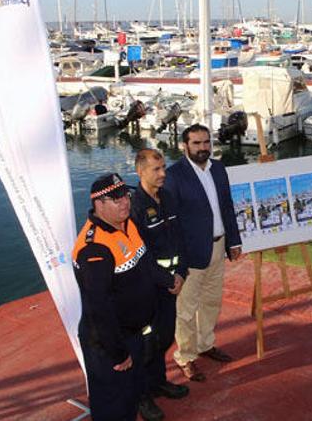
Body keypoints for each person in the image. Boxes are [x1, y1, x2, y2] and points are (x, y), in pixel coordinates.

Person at [72, 173, 174, 420]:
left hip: (134, 333)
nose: (124, 202)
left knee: (130, 399)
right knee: (113, 407)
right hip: (110, 343)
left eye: (125, 195)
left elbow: (144, 261)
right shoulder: (94, 249)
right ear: (99, 204)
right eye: (115, 199)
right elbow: (99, 308)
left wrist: (168, 279)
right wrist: (118, 353)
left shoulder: (127, 224)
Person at [165, 124, 243, 382]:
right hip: (191, 252)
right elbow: (172, 221)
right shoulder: (174, 175)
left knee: (211, 300)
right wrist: (179, 258)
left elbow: (227, 206)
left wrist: (234, 240)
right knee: (186, 309)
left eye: (206, 142)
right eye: (196, 143)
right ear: (185, 145)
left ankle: (205, 344)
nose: (202, 148)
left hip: (219, 246)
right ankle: (186, 357)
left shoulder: (218, 169)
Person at [131, 149, 190, 421]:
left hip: (173, 283)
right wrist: (168, 280)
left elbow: (179, 237)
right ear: (140, 172)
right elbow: (141, 255)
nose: (163, 173)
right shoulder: (135, 208)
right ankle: (141, 395)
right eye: (156, 169)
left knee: (165, 336)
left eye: (164, 167)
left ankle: (158, 381)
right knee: (147, 342)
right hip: (150, 288)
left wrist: (180, 274)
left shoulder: (167, 197)